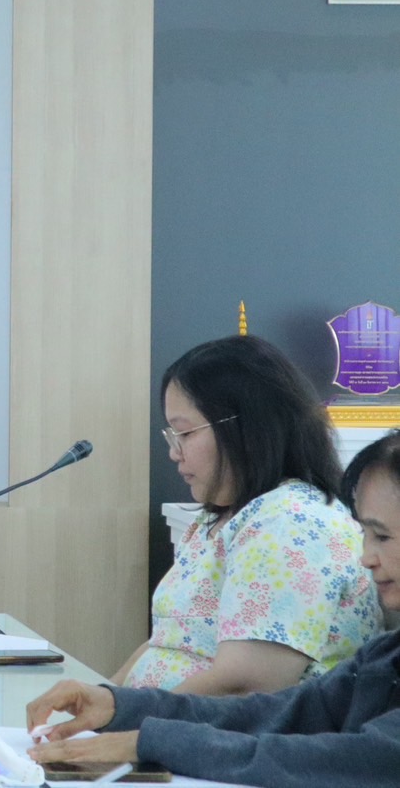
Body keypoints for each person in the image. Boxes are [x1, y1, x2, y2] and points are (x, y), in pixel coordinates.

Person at [26, 430, 400, 787]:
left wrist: (154, 742)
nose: (366, 557)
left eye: (382, 536)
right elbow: (277, 713)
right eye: (366, 535)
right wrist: (118, 705)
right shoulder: (385, 656)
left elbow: (349, 759)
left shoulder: (289, 519)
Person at [109, 336, 382, 694]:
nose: (174, 453)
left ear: (248, 428)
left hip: (211, 729)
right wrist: (103, 698)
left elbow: (246, 684)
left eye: (185, 433)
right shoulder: (226, 517)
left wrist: (125, 718)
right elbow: (167, 639)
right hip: (161, 723)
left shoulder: (291, 522)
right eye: (172, 435)